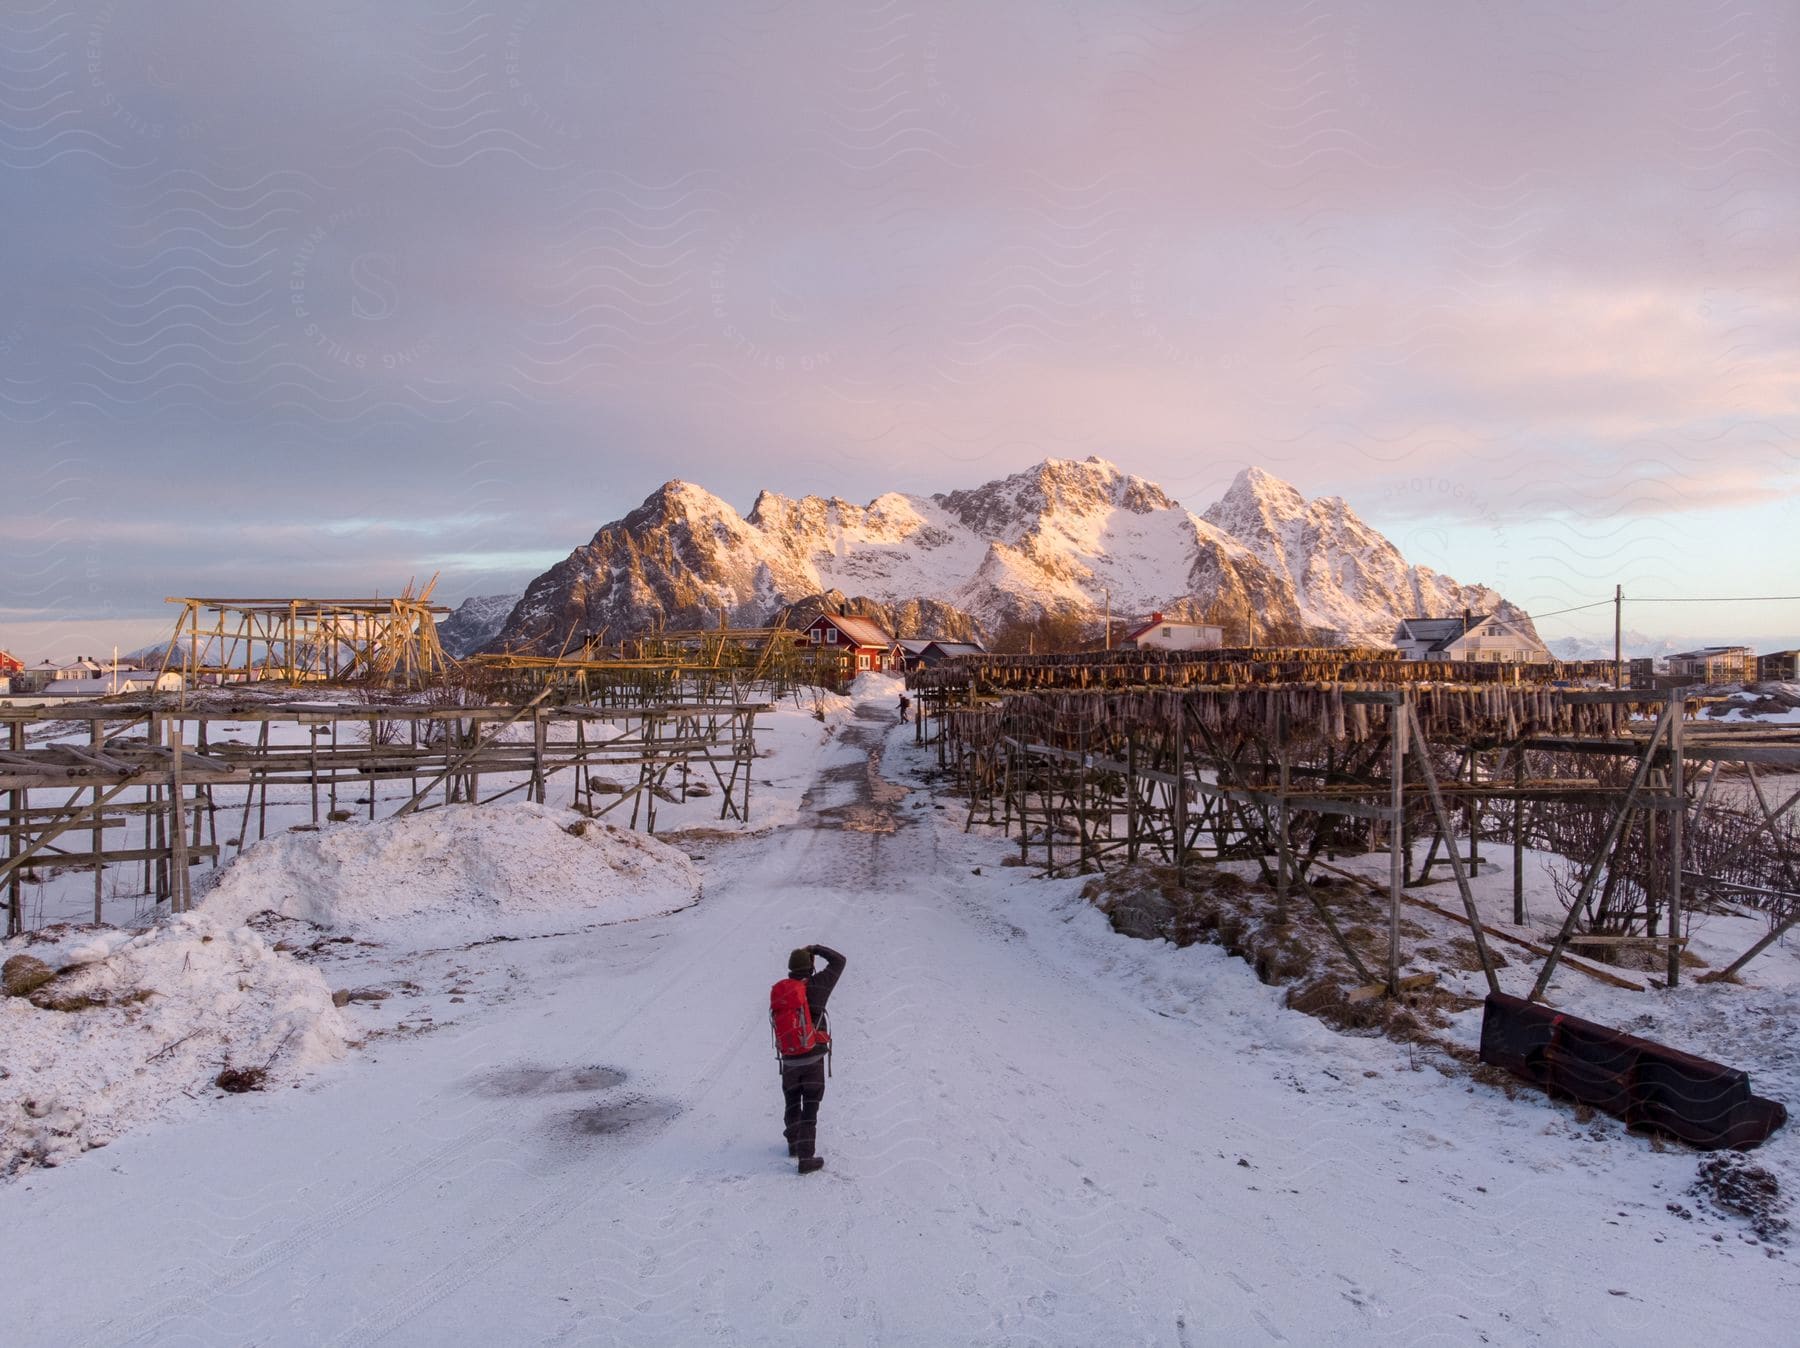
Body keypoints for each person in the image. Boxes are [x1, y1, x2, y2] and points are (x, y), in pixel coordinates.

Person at [777, 943, 847, 1174]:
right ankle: (806, 1158)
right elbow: (839, 961)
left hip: (788, 1058)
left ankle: (793, 1143)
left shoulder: (783, 990)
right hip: (813, 1058)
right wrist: (816, 949)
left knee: (792, 1100)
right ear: (810, 966)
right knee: (810, 1107)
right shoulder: (818, 986)